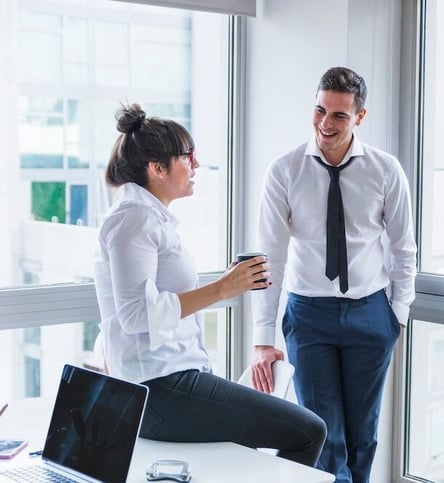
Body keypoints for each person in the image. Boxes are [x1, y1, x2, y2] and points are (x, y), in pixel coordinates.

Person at [93, 103, 326, 467]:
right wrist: (223, 289)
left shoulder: (149, 219)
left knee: (259, 445)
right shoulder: (134, 220)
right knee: (309, 431)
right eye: (187, 156)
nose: (196, 164)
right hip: (160, 389)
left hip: (165, 382)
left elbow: (132, 308)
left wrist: (228, 284)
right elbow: (135, 316)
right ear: (156, 168)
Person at [250, 67, 417, 483]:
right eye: (320, 110)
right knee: (324, 434)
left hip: (371, 313)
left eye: (339, 115)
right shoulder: (284, 170)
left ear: (359, 117)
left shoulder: (385, 170)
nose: (326, 123)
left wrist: (397, 315)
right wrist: (262, 337)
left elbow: (403, 247)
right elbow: (270, 255)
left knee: (363, 434)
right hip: (308, 316)